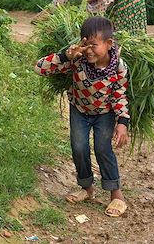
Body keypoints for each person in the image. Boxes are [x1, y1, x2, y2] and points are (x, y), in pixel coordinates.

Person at [34, 16, 129, 217]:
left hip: (104, 114)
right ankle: (86, 188)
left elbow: (120, 94)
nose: (88, 50)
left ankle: (116, 195)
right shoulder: (78, 61)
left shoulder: (119, 67)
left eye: (93, 45)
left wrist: (122, 122)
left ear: (109, 44)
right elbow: (40, 67)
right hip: (79, 110)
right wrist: (66, 57)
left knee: (103, 148)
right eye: (85, 44)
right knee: (79, 147)